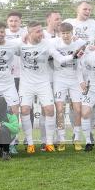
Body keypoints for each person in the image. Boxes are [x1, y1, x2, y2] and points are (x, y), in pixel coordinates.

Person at [19, 21, 67, 153]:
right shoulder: (20, 43)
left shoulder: (47, 43)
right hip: (26, 84)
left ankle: (49, 143)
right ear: (29, 33)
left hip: (43, 83)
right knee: (24, 111)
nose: (41, 33)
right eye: (38, 31)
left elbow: (60, 58)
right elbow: (4, 44)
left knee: (50, 110)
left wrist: (73, 55)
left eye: (42, 30)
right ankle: (30, 143)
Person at [49, 22, 88, 150]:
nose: (66, 36)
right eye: (63, 33)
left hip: (75, 80)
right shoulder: (53, 43)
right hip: (59, 80)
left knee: (78, 109)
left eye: (68, 33)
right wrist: (73, 55)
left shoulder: (79, 43)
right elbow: (60, 59)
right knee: (60, 110)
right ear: (60, 34)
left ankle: (76, 139)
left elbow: (79, 63)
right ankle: (61, 139)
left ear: (72, 33)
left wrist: (81, 80)